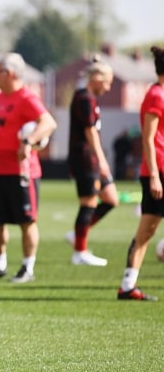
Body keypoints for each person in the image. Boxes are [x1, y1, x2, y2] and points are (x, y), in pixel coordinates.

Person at [0, 52, 57, 283]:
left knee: (26, 221)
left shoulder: (27, 98)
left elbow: (48, 122)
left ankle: (27, 268)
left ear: (10, 73)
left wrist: (29, 141)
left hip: (22, 172)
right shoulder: (0, 98)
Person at [116, 46, 164, 301]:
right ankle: (127, 286)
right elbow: (148, 138)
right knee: (145, 231)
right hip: (158, 172)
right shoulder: (156, 95)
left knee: (148, 231)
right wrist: (154, 175)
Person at [65, 59, 118, 266]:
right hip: (85, 158)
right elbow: (90, 132)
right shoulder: (84, 99)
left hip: (91, 158)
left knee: (111, 199)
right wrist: (102, 160)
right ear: (96, 79)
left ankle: (77, 235)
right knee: (88, 203)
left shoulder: (90, 98)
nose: (108, 87)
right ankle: (80, 251)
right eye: (106, 82)